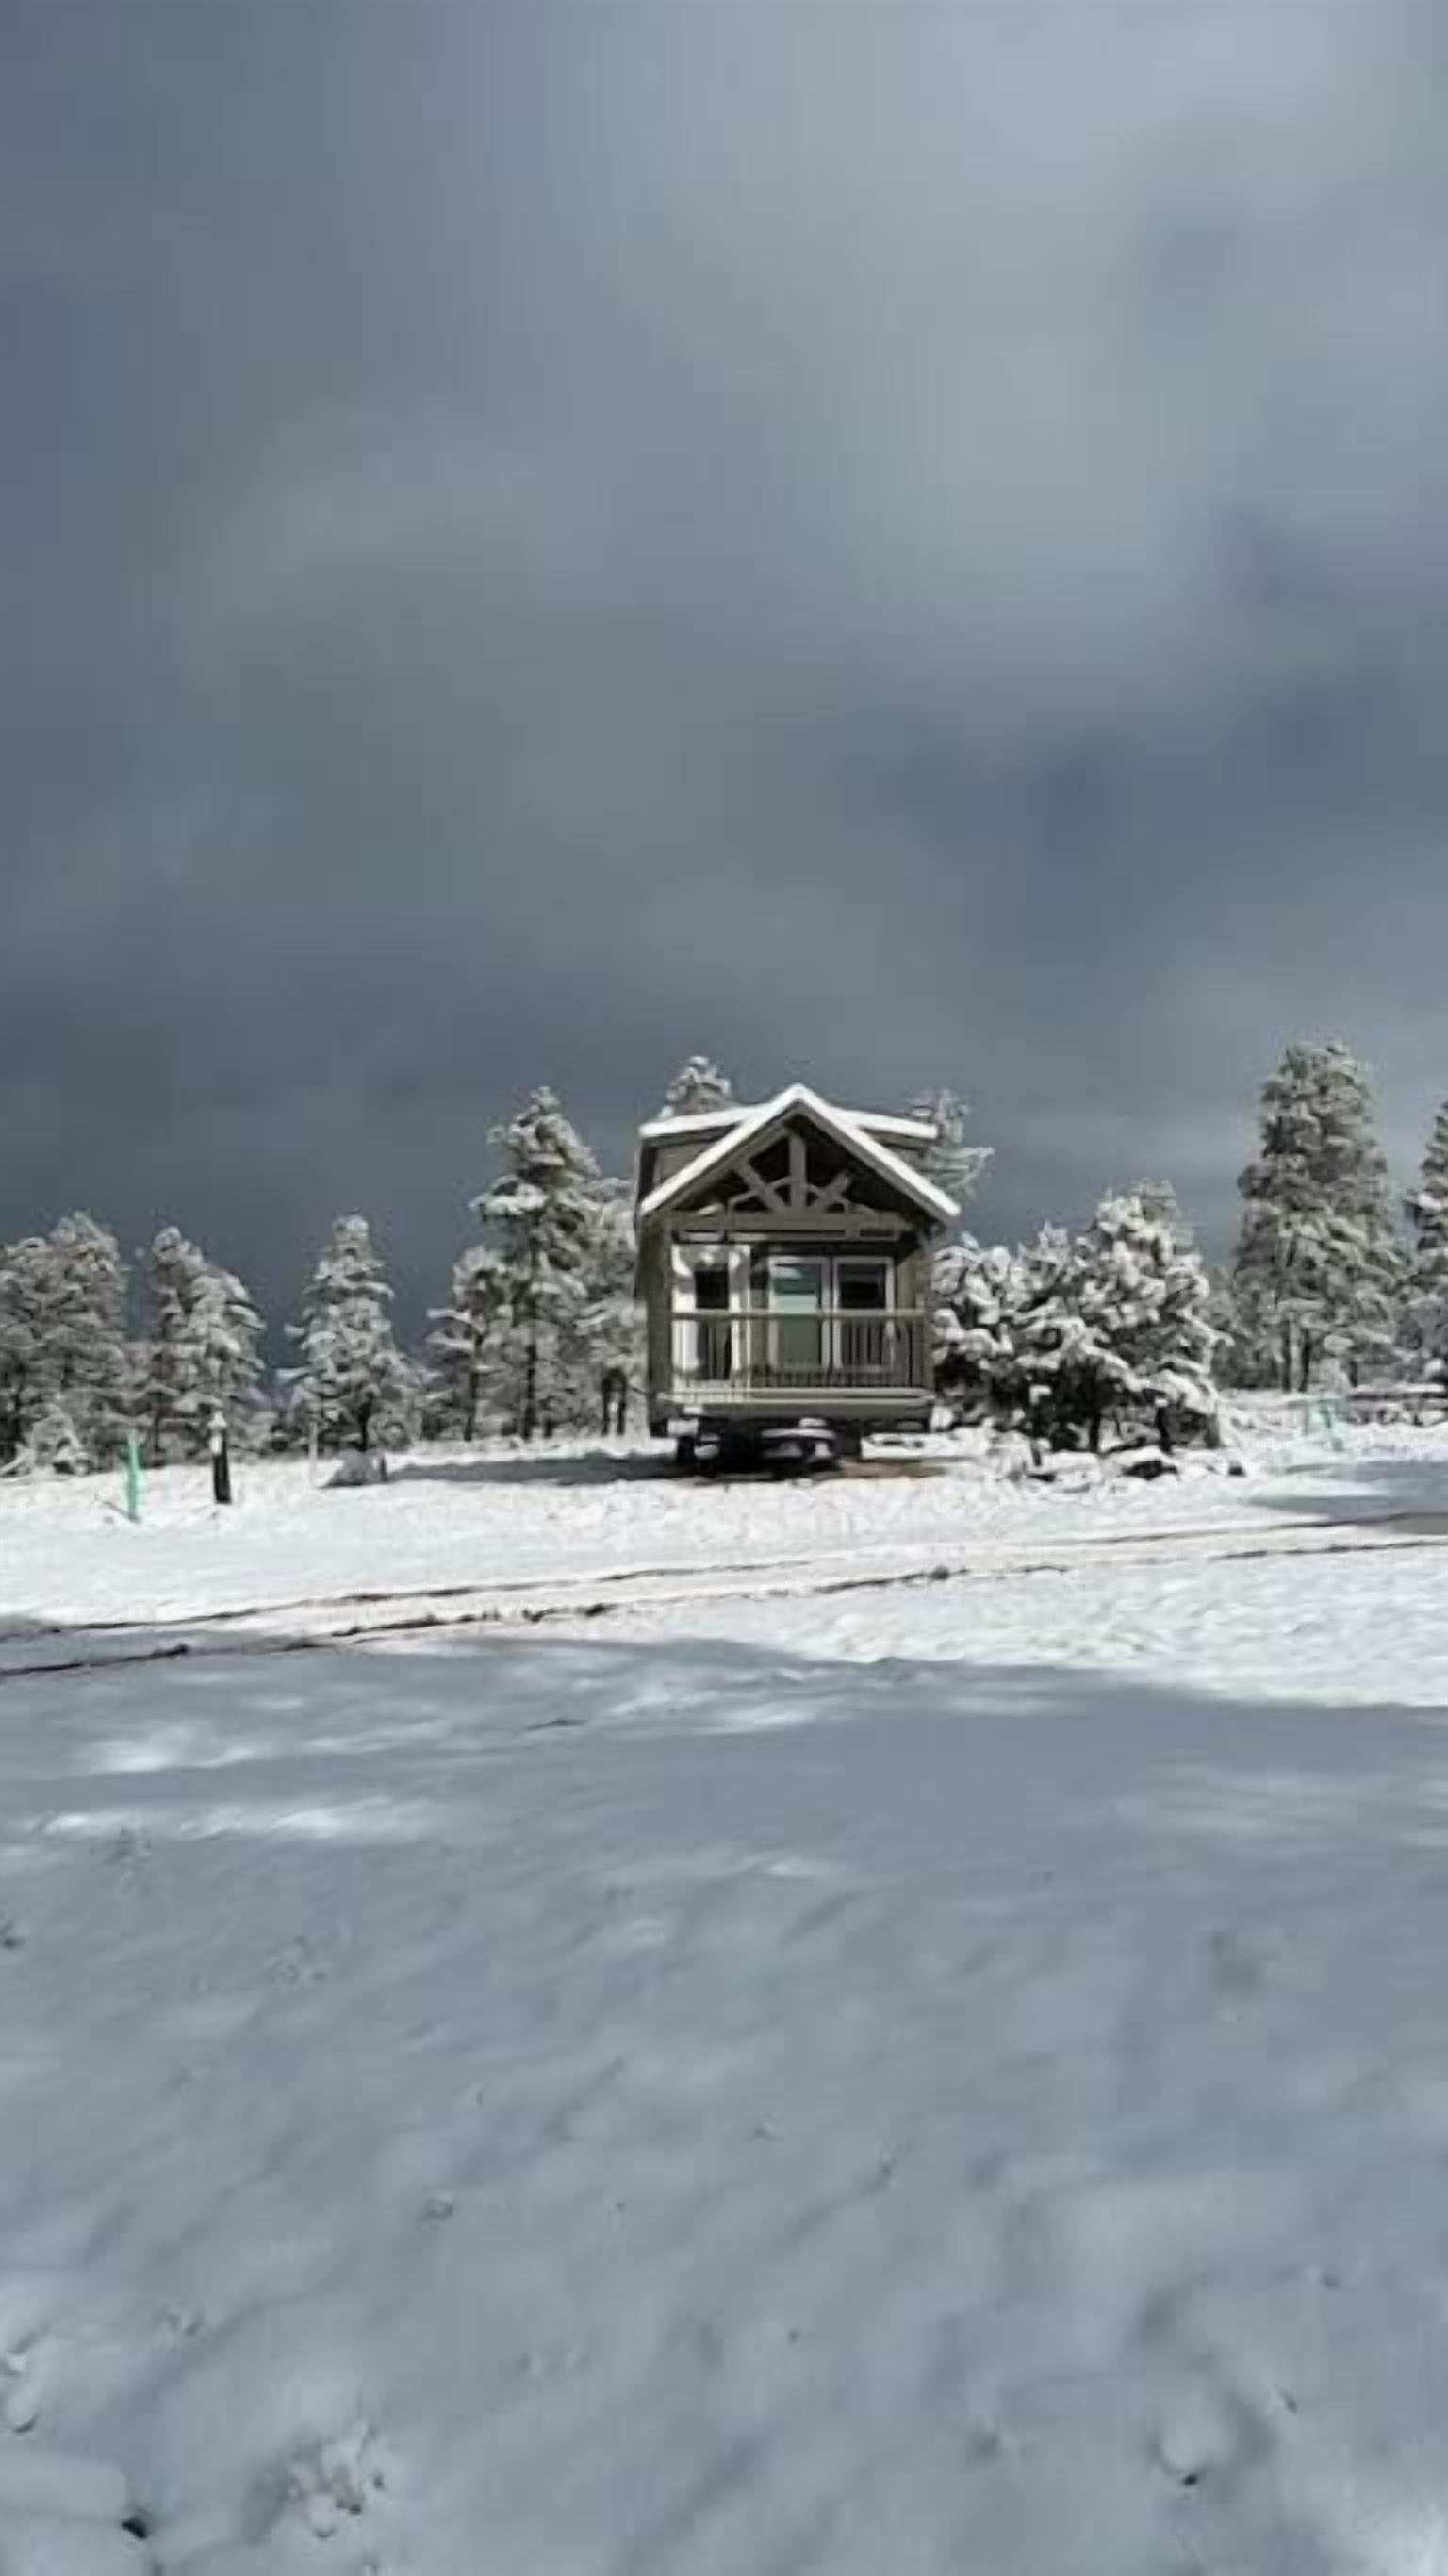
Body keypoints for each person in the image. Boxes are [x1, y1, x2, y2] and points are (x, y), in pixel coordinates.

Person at [208, 1405, 233, 1506]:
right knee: (221, 1472)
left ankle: (221, 1496)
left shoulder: (215, 1426)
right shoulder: (219, 1425)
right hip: (218, 1449)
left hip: (217, 1449)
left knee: (219, 1473)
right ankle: (223, 1495)